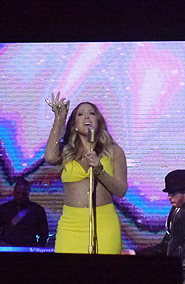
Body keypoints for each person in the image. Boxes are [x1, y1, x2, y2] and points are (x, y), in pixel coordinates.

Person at [44, 92, 128, 254]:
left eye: (92, 113)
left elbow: (121, 190)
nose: (87, 117)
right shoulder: (66, 152)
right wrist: (59, 118)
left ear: (99, 121)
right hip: (71, 225)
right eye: (80, 114)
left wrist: (99, 170)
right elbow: (49, 157)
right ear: (74, 125)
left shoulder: (114, 152)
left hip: (104, 224)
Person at [0, 178, 49, 247]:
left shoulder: (37, 210)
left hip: (29, 250)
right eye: (18, 193)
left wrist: (36, 248)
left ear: (28, 193)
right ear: (14, 192)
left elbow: (44, 234)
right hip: (7, 250)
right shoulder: (3, 209)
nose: (20, 196)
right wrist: (2, 244)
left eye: (23, 194)